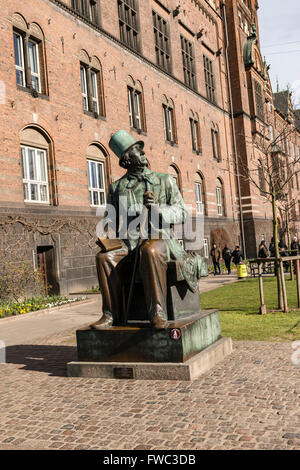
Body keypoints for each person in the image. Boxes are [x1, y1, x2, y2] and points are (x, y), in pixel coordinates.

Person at [93, 130, 205, 330]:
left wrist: (158, 210)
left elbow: (182, 212)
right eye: (137, 151)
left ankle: (157, 313)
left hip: (160, 240)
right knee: (104, 258)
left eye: (142, 151)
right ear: (127, 159)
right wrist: (106, 239)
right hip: (129, 244)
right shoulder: (117, 188)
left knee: (150, 250)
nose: (143, 154)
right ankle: (111, 315)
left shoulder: (164, 181)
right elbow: (110, 221)